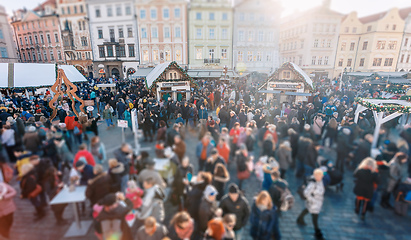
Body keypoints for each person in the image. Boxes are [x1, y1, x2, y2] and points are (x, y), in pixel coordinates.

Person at [296, 169, 325, 239]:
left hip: (317, 202)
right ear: (315, 175)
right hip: (314, 203)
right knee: (315, 217)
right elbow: (306, 193)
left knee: (307, 209)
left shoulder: (319, 181)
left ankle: (299, 218)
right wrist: (313, 201)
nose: (320, 177)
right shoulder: (312, 183)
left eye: (321, 175)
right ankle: (318, 233)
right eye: (318, 175)